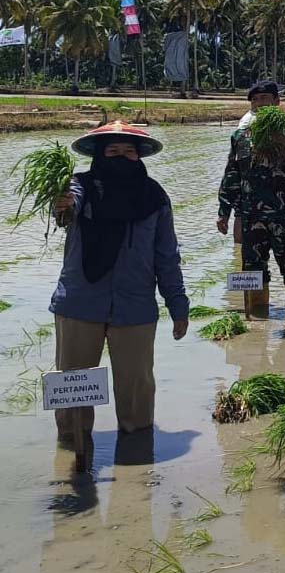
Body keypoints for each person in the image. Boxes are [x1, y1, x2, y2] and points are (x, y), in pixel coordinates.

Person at [49, 121, 188, 439]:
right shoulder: (79, 186)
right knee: (73, 388)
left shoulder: (154, 197)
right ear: (99, 155)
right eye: (112, 151)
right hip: (80, 303)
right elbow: (66, 209)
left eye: (129, 152)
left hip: (135, 306)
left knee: (137, 390)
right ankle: (73, 462)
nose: (121, 157)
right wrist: (63, 206)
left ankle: (138, 469)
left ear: (139, 157)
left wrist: (178, 305)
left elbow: (166, 256)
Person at [217, 81, 285, 319]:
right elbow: (232, 174)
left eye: (265, 98)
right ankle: (258, 321)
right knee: (253, 267)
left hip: (284, 214)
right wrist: (224, 211)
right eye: (255, 100)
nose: (260, 103)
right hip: (252, 215)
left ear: (277, 102)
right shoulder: (240, 136)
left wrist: (280, 139)